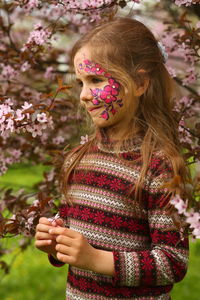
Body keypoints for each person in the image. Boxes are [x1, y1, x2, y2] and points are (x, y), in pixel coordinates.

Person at [35, 17, 190, 300]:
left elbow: (173, 262)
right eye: (81, 82)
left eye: (95, 80)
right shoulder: (78, 159)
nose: (83, 95)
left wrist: (97, 260)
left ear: (140, 83)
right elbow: (75, 229)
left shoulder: (159, 167)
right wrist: (56, 240)